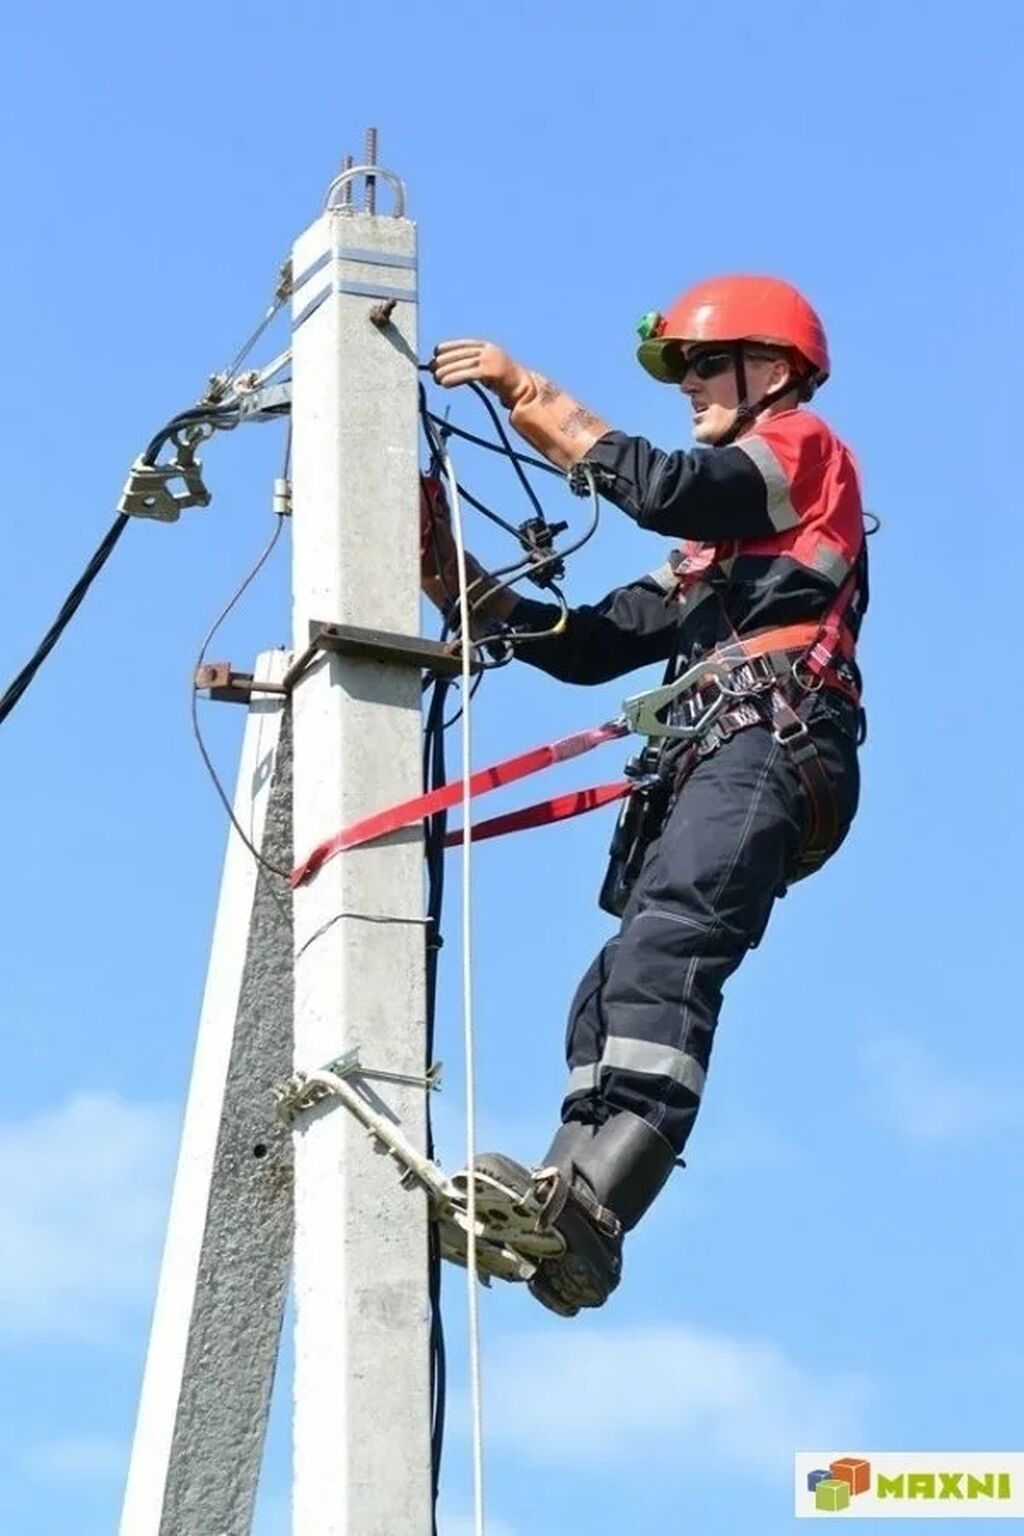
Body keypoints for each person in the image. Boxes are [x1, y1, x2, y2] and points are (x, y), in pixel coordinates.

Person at [421, 275, 868, 1318]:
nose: (692, 387)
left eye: (707, 365)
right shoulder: (716, 556)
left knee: (667, 950)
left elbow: (665, 484)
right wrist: (461, 586)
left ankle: (601, 1204)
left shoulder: (803, 448)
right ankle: (552, 1205)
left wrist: (528, 391)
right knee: (613, 981)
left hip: (774, 740)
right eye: (689, 371)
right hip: (719, 753)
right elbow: (595, 645)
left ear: (776, 372)